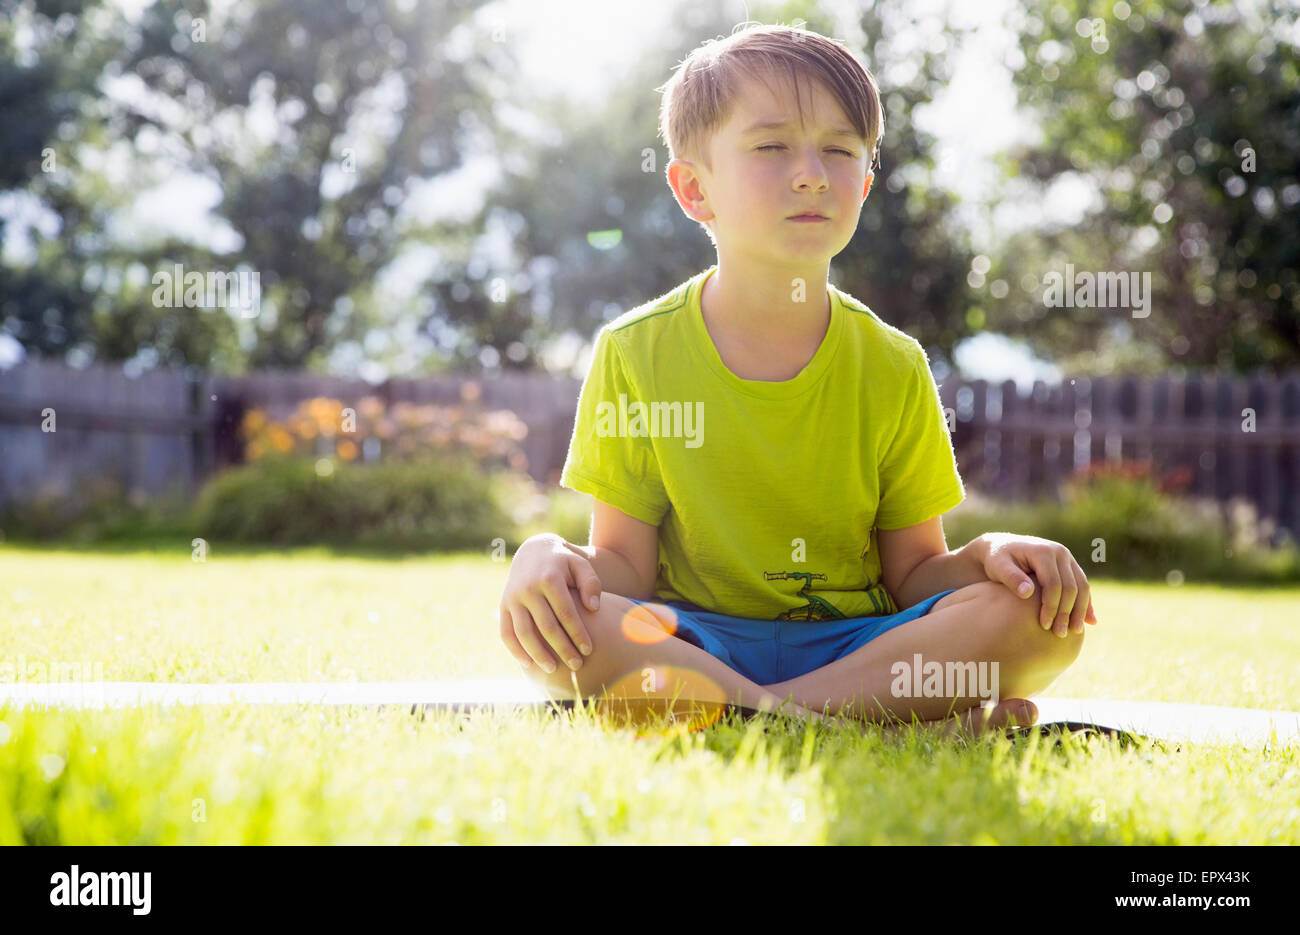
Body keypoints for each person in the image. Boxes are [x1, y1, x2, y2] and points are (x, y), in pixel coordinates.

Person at [499, 23, 1097, 734]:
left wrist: (989, 556)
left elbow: (914, 574)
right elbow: (622, 567)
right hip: (694, 641)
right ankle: (866, 722)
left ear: (865, 185)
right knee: (573, 623)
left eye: (840, 150)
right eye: (771, 145)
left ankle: (768, 715)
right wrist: (546, 556)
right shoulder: (634, 351)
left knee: (1037, 618)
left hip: (859, 646)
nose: (812, 171)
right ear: (694, 188)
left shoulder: (895, 364)